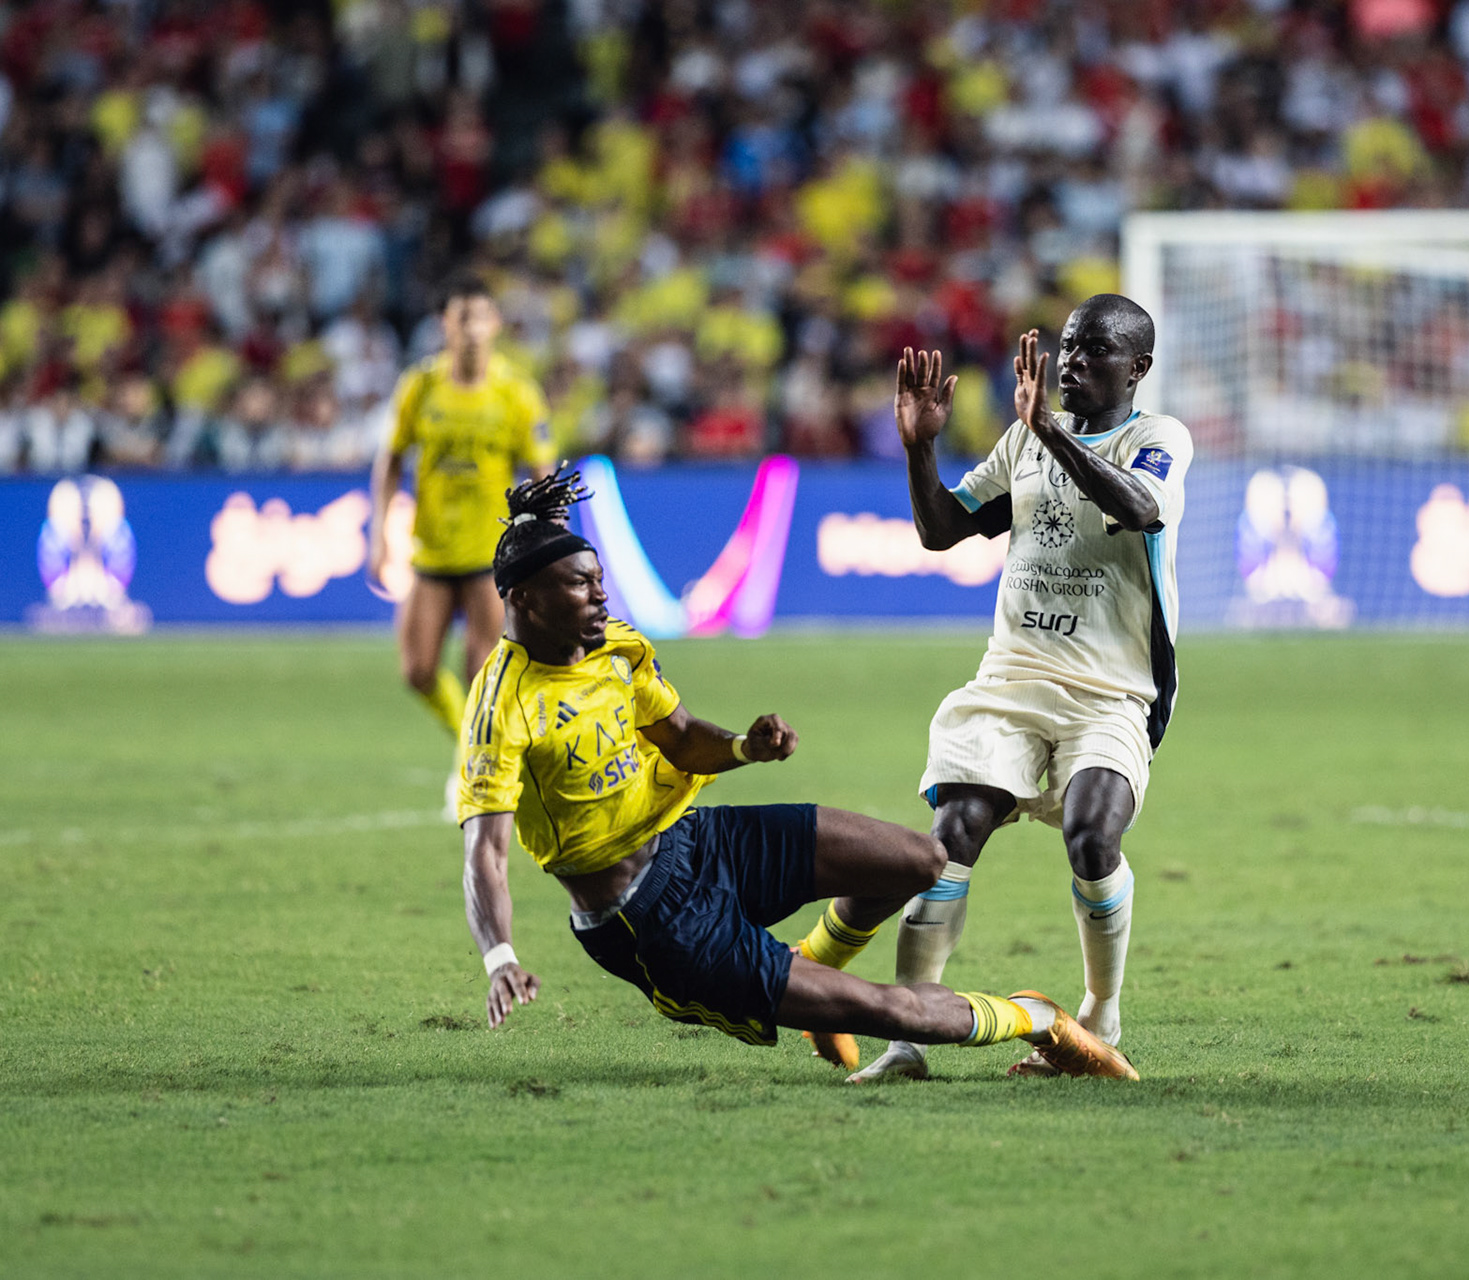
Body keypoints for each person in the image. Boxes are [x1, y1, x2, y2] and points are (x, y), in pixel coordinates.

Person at [457, 471, 1136, 1081]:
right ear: (524, 598)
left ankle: (815, 973)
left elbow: (683, 738)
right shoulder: (501, 707)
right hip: (653, 923)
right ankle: (1042, 1021)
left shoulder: (615, 647)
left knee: (920, 861)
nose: (601, 595)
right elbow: (485, 854)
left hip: (697, 843)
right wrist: (500, 958)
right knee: (896, 1012)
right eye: (581, 583)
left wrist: (745, 747)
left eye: (600, 578)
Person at [847, 296, 1191, 1083]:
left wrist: (1047, 433)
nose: (1071, 361)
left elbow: (1138, 508)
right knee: (950, 837)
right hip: (1011, 681)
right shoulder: (1022, 442)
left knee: (1093, 835)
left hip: (1113, 690)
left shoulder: (1158, 440)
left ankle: (1100, 1015)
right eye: (1067, 346)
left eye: (1094, 350)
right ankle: (907, 1039)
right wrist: (919, 450)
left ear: (1136, 369)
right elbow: (942, 528)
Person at [368, 272, 555, 815]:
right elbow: (390, 460)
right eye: (461, 317)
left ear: (495, 324)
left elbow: (542, 472)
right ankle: (471, 751)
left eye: (480, 317)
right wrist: (378, 533)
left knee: (482, 675)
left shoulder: (515, 392)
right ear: (445, 324)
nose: (471, 329)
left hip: (491, 557)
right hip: (431, 550)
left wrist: (542, 543)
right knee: (418, 670)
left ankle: (474, 772)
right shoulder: (420, 387)